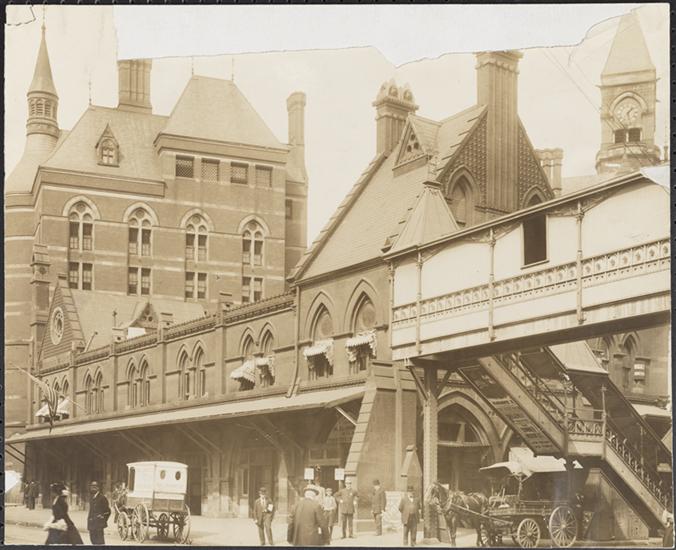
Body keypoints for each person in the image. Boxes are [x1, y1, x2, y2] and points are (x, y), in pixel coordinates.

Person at [87, 481, 111, 545]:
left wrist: (102, 519)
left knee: (100, 542)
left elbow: (108, 511)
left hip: (99, 525)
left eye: (94, 486)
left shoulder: (102, 498)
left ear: (98, 488)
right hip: (91, 524)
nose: (92, 488)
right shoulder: (91, 497)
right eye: (92, 486)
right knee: (93, 541)